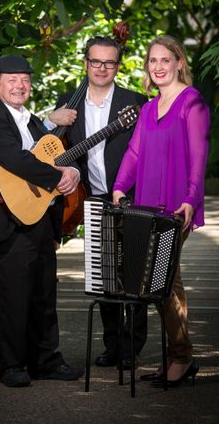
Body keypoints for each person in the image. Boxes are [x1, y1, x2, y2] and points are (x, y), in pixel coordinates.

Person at [0, 55, 84, 388]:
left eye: (24, 80)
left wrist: (73, 170)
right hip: (8, 221)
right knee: (11, 297)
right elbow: (15, 159)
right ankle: (11, 366)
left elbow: (51, 153)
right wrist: (57, 176)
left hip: (39, 217)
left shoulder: (33, 121)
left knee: (43, 294)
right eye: (12, 79)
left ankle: (46, 361)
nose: (20, 85)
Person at [112, 35, 210, 387]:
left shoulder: (192, 103)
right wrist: (121, 185)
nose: (158, 67)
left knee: (166, 281)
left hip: (176, 204)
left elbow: (199, 155)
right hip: (147, 205)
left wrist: (191, 198)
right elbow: (135, 153)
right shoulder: (150, 108)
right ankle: (177, 356)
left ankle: (181, 358)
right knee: (159, 282)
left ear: (179, 62)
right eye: (152, 61)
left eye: (165, 60)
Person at [47, 36, 149, 370]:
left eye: (109, 62)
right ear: (86, 63)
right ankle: (112, 344)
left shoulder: (136, 102)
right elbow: (48, 151)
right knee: (105, 274)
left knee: (133, 273)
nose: (102, 68)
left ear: (118, 66)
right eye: (95, 61)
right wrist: (51, 119)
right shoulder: (68, 104)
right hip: (91, 197)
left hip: (134, 196)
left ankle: (131, 348)